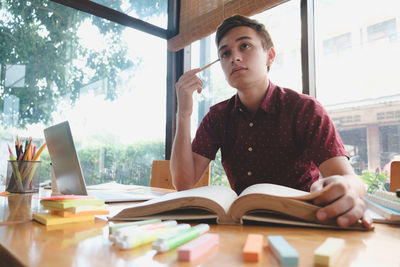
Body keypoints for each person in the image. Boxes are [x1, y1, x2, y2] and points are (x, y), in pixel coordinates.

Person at [170, 14, 371, 228]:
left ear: (270, 56)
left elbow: (348, 179)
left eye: (245, 46)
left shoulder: (305, 109)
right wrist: (183, 113)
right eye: (225, 53)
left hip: (302, 223)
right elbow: (184, 183)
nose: (234, 58)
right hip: (242, 225)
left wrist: (348, 188)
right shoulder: (217, 117)